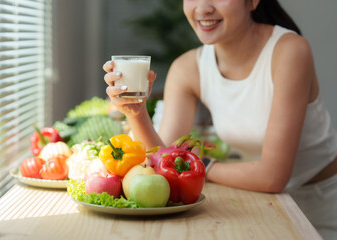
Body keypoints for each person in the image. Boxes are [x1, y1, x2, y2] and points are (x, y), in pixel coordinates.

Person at [103, 0, 337, 239]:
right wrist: (136, 113)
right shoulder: (187, 67)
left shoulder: (289, 51)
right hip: (256, 201)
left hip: (317, 206)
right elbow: (163, 161)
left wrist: (202, 164)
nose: (203, 8)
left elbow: (273, 177)